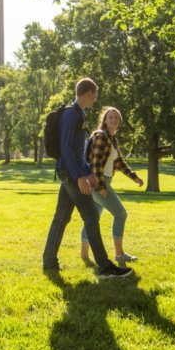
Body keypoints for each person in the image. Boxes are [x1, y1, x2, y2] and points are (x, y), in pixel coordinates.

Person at [42, 78, 134, 279]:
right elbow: (66, 149)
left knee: (61, 218)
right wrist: (79, 177)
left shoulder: (78, 114)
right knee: (91, 216)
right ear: (89, 92)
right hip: (69, 175)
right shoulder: (71, 114)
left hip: (70, 172)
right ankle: (104, 267)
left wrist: (89, 173)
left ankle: (49, 263)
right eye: (95, 94)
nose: (96, 98)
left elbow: (77, 152)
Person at [80, 106, 143, 265]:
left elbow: (120, 162)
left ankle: (84, 255)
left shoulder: (112, 139)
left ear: (120, 122)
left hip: (102, 181)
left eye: (116, 118)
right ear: (105, 119)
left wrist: (134, 177)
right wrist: (101, 187)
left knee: (92, 218)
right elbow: (95, 164)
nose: (113, 120)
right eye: (110, 117)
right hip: (98, 182)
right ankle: (119, 254)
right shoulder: (101, 136)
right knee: (121, 214)